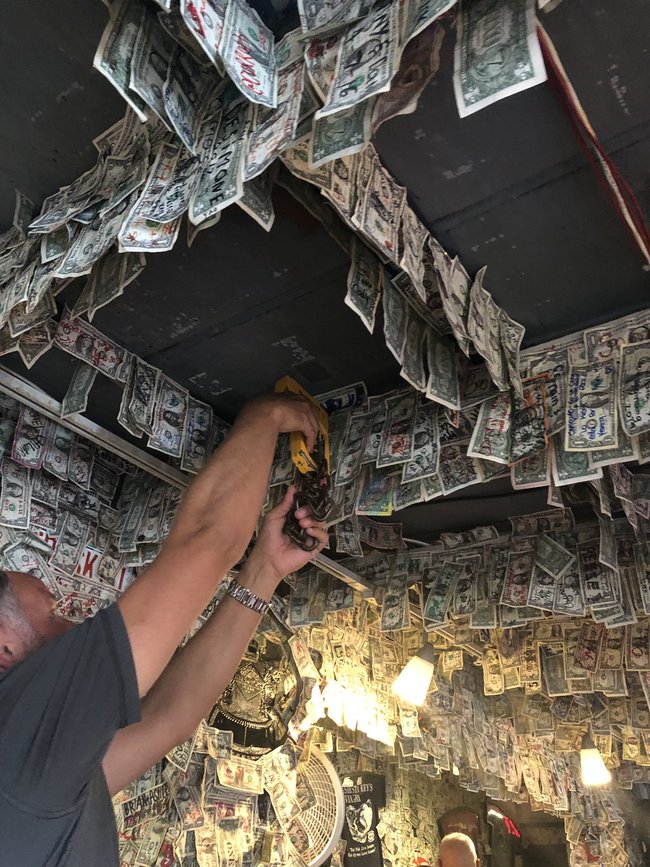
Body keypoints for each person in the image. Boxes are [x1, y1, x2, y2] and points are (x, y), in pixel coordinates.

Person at [0, 393, 328, 866]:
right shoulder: (16, 756)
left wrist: (263, 571)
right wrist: (267, 415)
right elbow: (207, 541)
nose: (73, 624)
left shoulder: (33, 783)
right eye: (51, 615)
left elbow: (166, 721)